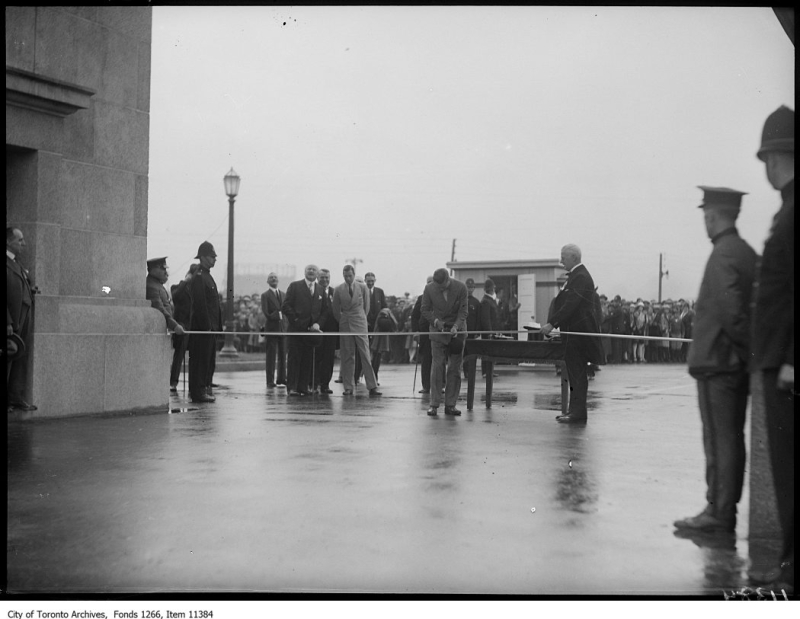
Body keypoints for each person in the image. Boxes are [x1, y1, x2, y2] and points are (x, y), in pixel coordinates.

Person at [674, 186, 757, 535]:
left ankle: (718, 512)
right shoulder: (744, 252)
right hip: (729, 364)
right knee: (729, 438)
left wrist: (744, 353)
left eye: (705, 216)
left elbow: (731, 314)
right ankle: (722, 508)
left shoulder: (723, 254)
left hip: (718, 364)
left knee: (719, 440)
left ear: (712, 215)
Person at [750, 105, 794, 592]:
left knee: (789, 474)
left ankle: (791, 571)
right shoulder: (788, 207)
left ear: (774, 157)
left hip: (786, 368)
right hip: (778, 362)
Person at [540, 244, 605, 424]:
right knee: (574, 373)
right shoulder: (575, 276)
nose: (561, 261)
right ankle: (574, 411)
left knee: (577, 374)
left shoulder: (581, 277)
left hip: (578, 336)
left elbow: (570, 304)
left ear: (574, 258)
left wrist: (552, 323)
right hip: (572, 334)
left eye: (564, 257)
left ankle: (577, 413)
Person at [421, 268, 468, 416]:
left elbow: (463, 312)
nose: (440, 289)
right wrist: (436, 321)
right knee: (437, 367)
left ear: (448, 279)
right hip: (437, 331)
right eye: (438, 287)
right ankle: (434, 404)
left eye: (443, 287)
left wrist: (456, 327)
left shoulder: (461, 287)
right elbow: (425, 309)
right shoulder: (429, 288)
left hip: (457, 332)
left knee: (454, 368)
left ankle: (450, 405)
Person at [332, 265, 381, 397]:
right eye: (345, 276)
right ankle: (348, 387)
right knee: (347, 356)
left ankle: (372, 386)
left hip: (360, 322)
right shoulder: (338, 289)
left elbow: (367, 307)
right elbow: (336, 309)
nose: (348, 278)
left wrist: (361, 318)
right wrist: (342, 319)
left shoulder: (363, 288)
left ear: (354, 275)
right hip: (345, 324)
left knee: (365, 354)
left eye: (350, 275)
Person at [282, 264, 329, 396]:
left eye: (314, 270)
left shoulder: (320, 289)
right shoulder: (295, 286)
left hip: (311, 333)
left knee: (307, 360)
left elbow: (325, 310)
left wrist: (318, 324)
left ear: (317, 274)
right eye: (309, 269)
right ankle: (291, 388)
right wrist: (296, 321)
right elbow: (285, 306)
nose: (311, 271)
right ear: (305, 272)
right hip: (296, 331)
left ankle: (303, 387)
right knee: (294, 360)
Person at [6, 227, 37, 412]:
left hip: (23, 315)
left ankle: (15, 397)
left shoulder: (16, 263)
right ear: (9, 242)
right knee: (9, 357)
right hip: (12, 319)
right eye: (20, 240)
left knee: (20, 358)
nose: (23, 244)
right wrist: (7, 321)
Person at [188, 242, 222, 403]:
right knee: (200, 361)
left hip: (210, 328)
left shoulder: (207, 275)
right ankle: (198, 391)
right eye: (211, 256)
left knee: (207, 360)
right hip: (203, 328)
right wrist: (207, 327)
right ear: (202, 257)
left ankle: (204, 388)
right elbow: (201, 305)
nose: (214, 259)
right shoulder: (200, 276)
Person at [170, 264, 199, 392]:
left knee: (195, 355)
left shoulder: (197, 289)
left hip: (194, 325)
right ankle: (173, 382)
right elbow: (175, 297)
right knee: (179, 354)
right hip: (183, 324)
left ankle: (195, 383)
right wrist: (185, 282)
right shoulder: (177, 287)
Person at [261, 272, 287, 388]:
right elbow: (267, 313)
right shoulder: (265, 295)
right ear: (267, 281)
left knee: (282, 354)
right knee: (271, 356)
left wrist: (283, 318)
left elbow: (286, 310)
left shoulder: (283, 294)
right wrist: (279, 314)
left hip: (283, 328)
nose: (273, 279)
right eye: (271, 277)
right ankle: (270, 380)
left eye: (275, 277)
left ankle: (282, 378)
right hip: (271, 328)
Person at [315, 268, 339, 394]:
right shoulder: (314, 291)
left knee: (329, 358)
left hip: (331, 330)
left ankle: (325, 384)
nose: (324, 280)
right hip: (318, 329)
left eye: (326, 277)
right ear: (318, 278)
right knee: (317, 357)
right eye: (322, 277)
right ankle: (315, 383)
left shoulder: (335, 292)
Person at [411, 276, 434, 394]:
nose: (430, 285)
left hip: (436, 333)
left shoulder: (440, 298)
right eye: (428, 283)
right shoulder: (420, 299)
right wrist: (416, 331)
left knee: (438, 360)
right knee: (426, 360)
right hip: (424, 335)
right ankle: (426, 386)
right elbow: (414, 317)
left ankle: (441, 385)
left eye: (432, 282)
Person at [479, 278, 503, 378]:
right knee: (487, 351)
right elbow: (486, 318)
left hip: (492, 330)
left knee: (491, 351)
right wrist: (489, 331)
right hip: (488, 331)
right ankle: (486, 371)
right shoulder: (486, 301)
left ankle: (490, 370)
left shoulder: (490, 300)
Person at [463, 278, 481, 380]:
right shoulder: (461, 300)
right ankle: (465, 371)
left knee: (471, 353)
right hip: (462, 331)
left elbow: (478, 318)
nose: (469, 289)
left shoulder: (476, 302)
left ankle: (470, 372)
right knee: (463, 353)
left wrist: (477, 331)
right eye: (468, 287)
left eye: (471, 287)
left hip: (471, 332)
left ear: (474, 288)